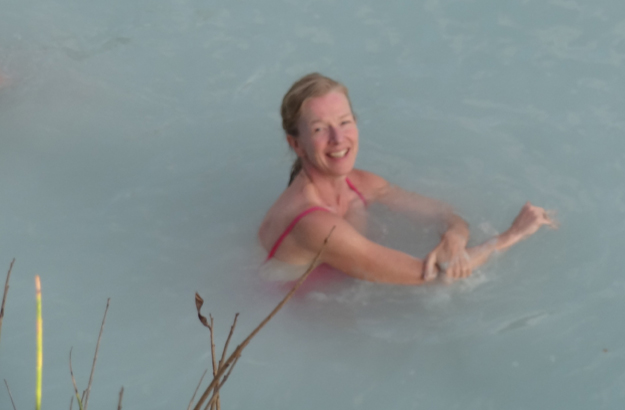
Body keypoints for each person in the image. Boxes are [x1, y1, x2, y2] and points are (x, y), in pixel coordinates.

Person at [258, 73, 557, 285]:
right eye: (320, 129)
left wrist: (454, 236)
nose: (339, 138)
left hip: (332, 289)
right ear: (296, 144)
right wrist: (512, 236)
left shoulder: (360, 183)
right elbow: (430, 276)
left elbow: (444, 212)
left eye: (345, 122)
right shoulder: (313, 224)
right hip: (298, 316)